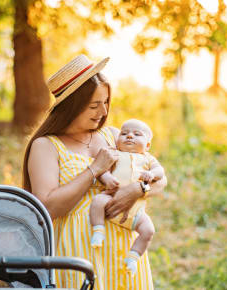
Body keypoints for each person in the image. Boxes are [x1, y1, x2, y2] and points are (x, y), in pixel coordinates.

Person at [23, 55, 167, 290]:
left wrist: (138, 189)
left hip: (122, 250)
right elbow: (47, 207)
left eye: (106, 102)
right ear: (71, 106)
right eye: (93, 105)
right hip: (77, 253)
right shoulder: (47, 146)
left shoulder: (113, 136)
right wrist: (94, 170)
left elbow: (160, 178)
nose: (103, 111)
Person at [89, 119, 165, 275]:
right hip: (111, 198)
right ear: (118, 140)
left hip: (136, 211)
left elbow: (160, 172)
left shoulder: (147, 158)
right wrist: (107, 178)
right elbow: (102, 170)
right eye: (124, 134)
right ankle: (98, 230)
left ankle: (133, 256)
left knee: (148, 230)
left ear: (148, 145)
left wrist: (151, 174)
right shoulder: (115, 154)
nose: (129, 136)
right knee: (97, 201)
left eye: (137, 134)